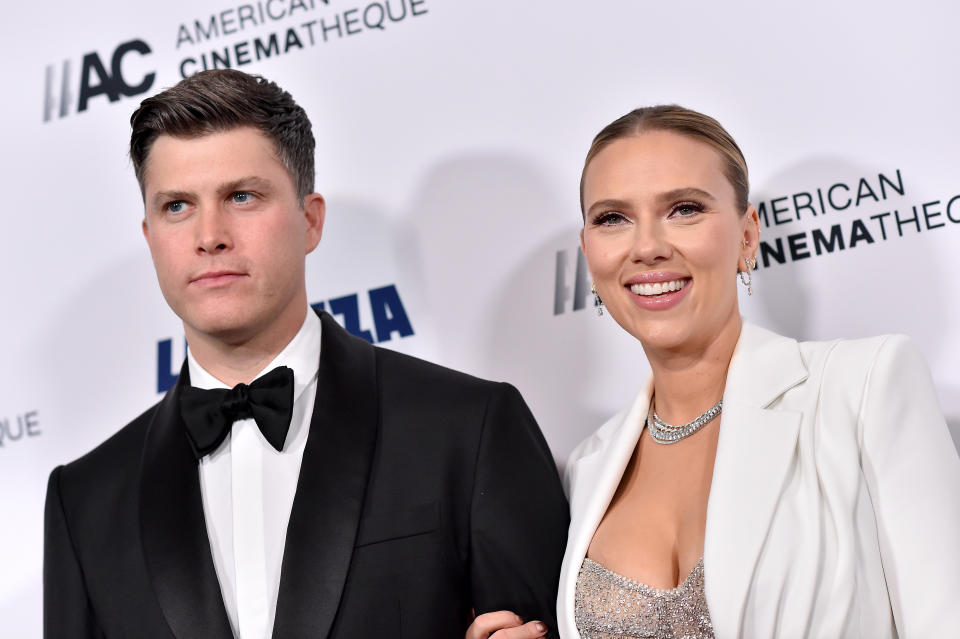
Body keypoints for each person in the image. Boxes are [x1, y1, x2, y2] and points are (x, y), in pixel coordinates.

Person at [43, 69, 569, 639]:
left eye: (242, 196)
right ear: (150, 237)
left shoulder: (467, 428)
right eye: (177, 206)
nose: (209, 234)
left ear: (310, 220)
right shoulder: (86, 501)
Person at [470, 105, 960, 638]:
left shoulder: (863, 387)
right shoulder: (586, 468)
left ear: (748, 236)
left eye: (684, 209)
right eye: (613, 218)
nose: (649, 247)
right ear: (589, 253)